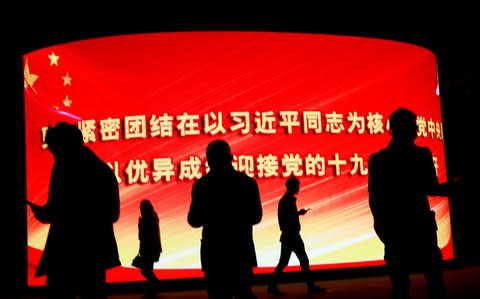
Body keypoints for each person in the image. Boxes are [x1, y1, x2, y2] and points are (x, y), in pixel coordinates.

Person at [27, 122, 121, 299]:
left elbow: (57, 208)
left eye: (55, 150)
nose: (54, 156)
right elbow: (113, 213)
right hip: (95, 252)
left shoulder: (63, 170)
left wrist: (45, 213)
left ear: (65, 146)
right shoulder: (104, 171)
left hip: (66, 252)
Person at [368, 108, 452, 299]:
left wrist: (383, 231)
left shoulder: (378, 159)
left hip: (396, 231)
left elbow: (375, 200)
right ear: (402, 128)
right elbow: (432, 188)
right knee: (434, 282)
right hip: (420, 227)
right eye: (413, 126)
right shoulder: (422, 155)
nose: (416, 130)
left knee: (400, 287)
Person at [188, 140, 263, 299]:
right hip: (241, 250)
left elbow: (193, 220)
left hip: (214, 254)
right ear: (230, 157)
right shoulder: (247, 182)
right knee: (243, 293)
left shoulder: (201, 186)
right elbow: (256, 217)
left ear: (208, 160)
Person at [267, 176, 326, 296]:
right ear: (293, 187)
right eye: (297, 186)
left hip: (289, 236)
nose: (298, 188)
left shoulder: (286, 200)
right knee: (301, 260)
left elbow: (286, 218)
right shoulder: (287, 201)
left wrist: (297, 213)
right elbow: (287, 219)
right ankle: (310, 286)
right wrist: (296, 215)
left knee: (286, 262)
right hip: (292, 236)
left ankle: (273, 286)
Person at [137, 199, 162, 298]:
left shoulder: (147, 221)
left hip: (148, 249)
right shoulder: (153, 218)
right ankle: (153, 287)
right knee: (148, 270)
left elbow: (142, 237)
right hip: (152, 249)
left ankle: (154, 286)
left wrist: (140, 225)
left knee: (146, 270)